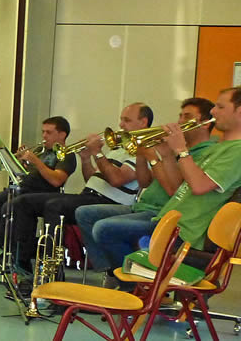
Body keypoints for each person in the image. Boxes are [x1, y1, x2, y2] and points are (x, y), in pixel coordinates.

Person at [76, 98, 217, 287]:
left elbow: (173, 190)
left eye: (187, 117)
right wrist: (141, 155)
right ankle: (111, 271)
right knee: (84, 213)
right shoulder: (181, 149)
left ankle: (131, 285)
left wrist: (156, 157)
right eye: (180, 116)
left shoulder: (197, 153)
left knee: (103, 228)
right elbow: (145, 181)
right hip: (142, 206)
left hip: (159, 212)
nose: (179, 121)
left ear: (205, 123)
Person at [10, 103, 151, 274]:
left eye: (126, 120)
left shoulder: (142, 151)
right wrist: (85, 159)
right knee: (23, 202)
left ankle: (51, 271)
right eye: (121, 119)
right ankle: (21, 264)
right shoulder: (118, 149)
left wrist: (98, 153)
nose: (120, 125)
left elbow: (116, 179)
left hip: (108, 201)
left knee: (54, 206)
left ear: (143, 122)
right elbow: (92, 180)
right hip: (89, 195)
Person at [154, 88, 241, 249]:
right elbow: (181, 185)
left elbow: (199, 186)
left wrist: (181, 149)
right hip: (170, 222)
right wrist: (167, 153)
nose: (213, 111)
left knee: (110, 231)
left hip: (184, 232)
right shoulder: (217, 146)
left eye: (220, 107)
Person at [0, 116, 77, 251]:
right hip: (21, 189)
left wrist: (36, 161)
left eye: (48, 132)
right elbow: (23, 174)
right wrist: (18, 163)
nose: (44, 136)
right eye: (43, 132)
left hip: (41, 193)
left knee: (8, 207)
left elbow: (57, 180)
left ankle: (6, 250)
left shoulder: (67, 155)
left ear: (62, 135)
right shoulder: (40, 151)